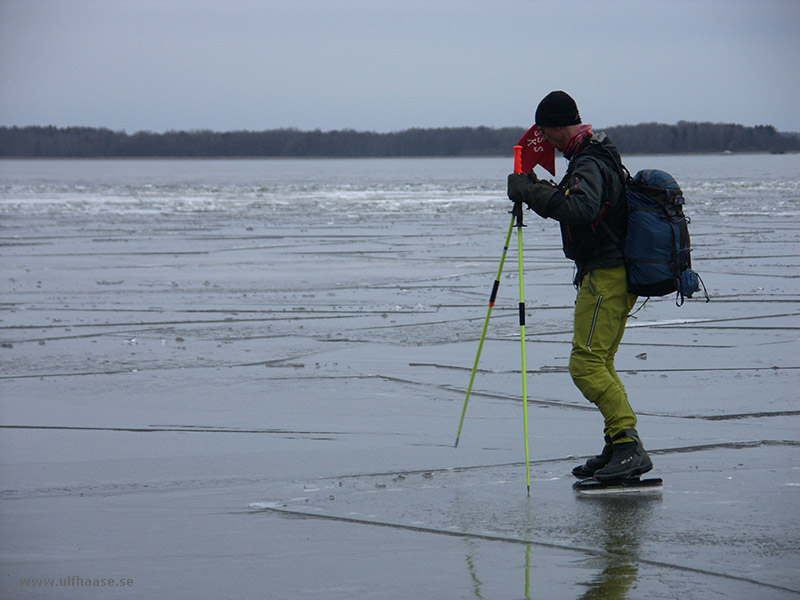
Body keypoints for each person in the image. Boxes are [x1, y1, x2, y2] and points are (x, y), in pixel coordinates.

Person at [506, 90, 652, 481]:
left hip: (606, 275)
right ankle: (616, 444)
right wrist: (540, 189)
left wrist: (530, 192)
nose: (545, 142)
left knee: (585, 364)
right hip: (613, 272)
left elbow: (581, 208)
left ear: (556, 126)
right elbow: (581, 203)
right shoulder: (595, 154)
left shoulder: (588, 159)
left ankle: (627, 445)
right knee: (600, 361)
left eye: (546, 132)